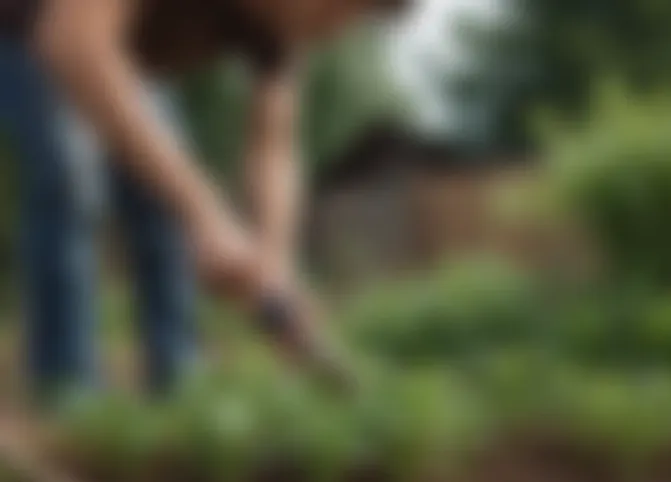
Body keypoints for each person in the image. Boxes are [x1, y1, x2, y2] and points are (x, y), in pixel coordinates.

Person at [0, 0, 409, 401]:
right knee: (71, 177)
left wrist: (275, 265)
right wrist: (205, 213)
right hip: (31, 27)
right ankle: (68, 388)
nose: (329, 32)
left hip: (122, 49)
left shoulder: (284, 24)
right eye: (334, 11)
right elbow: (74, 45)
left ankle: (180, 384)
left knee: (165, 203)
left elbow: (274, 147)